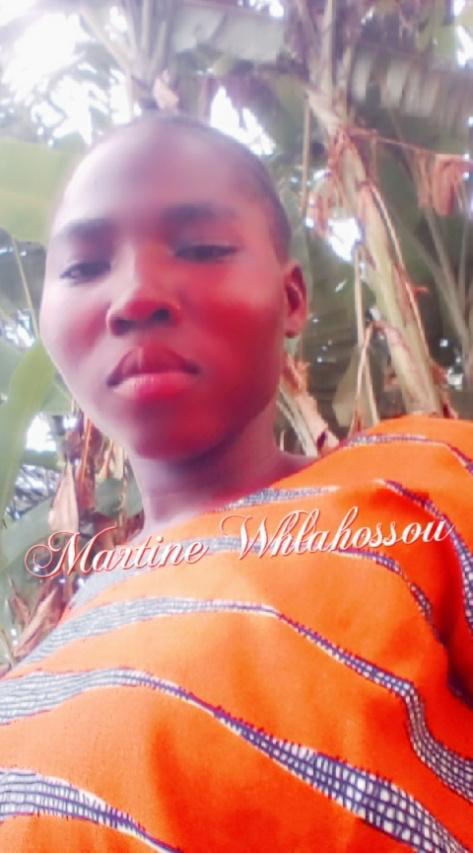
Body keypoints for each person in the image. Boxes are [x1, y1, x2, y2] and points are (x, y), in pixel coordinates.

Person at [0, 112, 471, 852]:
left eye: (201, 249)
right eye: (85, 268)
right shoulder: (44, 654)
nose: (135, 296)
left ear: (292, 299)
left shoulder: (426, 482)